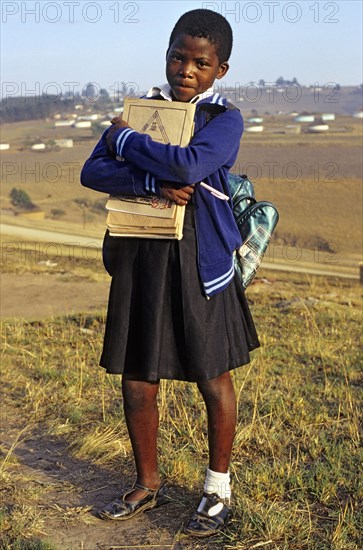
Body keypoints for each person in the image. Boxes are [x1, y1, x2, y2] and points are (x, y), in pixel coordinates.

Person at [81, 8, 260, 537]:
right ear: (166, 56)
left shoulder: (224, 120)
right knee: (139, 373)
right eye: (178, 57)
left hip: (200, 261)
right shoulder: (143, 109)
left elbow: (188, 166)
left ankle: (215, 489)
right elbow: (94, 171)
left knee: (212, 374)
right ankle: (146, 483)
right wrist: (151, 184)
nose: (186, 70)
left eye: (200, 63)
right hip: (142, 254)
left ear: (220, 70)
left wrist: (124, 142)